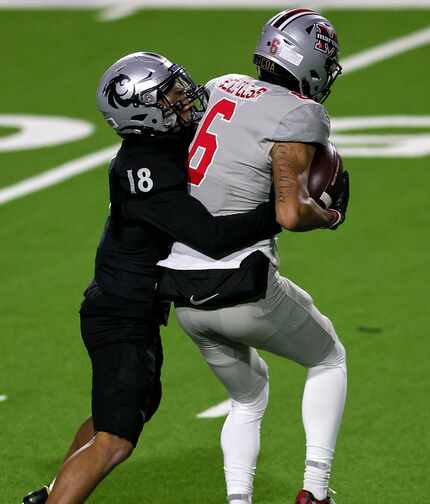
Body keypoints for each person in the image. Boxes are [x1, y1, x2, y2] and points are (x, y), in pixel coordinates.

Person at [22, 51, 280, 504]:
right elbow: (210, 236)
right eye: (170, 95)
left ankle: (53, 492)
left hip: (127, 307)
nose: (184, 97)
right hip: (120, 312)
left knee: (119, 416)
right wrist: (280, 211)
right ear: (143, 113)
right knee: (117, 438)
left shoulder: (160, 147)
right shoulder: (144, 168)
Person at [157, 9, 349, 504]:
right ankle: (316, 489)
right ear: (309, 60)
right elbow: (289, 212)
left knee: (247, 397)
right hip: (242, 284)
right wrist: (327, 214)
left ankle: (239, 500)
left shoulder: (220, 85)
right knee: (328, 358)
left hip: (181, 290)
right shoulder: (302, 113)